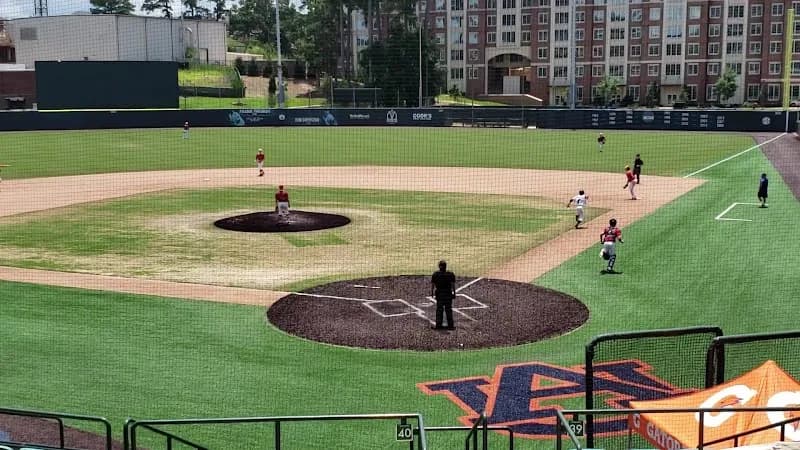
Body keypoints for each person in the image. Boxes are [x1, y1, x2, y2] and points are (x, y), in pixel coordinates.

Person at [430, 260, 456, 330]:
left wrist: (432, 293)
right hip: (448, 294)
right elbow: (453, 285)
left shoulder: (435, 274)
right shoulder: (450, 274)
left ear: (439, 267)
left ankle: (438, 325)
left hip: (440, 295)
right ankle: (451, 326)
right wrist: (454, 293)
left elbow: (433, 285)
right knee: (448, 310)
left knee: (439, 310)